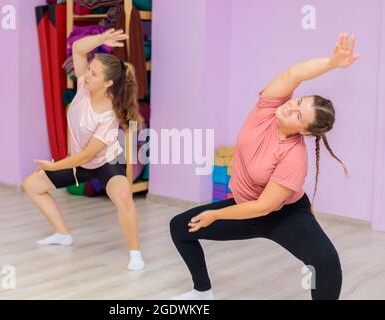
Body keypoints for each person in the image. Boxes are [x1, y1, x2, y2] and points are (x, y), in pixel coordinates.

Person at [170, 33, 360, 299]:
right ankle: (202, 293)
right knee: (180, 227)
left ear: (304, 131)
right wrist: (331, 62)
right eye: (297, 102)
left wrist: (216, 215)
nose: (290, 107)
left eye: (298, 114)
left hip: (284, 214)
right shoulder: (268, 108)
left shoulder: (294, 156)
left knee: (326, 262)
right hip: (245, 205)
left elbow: (265, 207)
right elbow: (295, 73)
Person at [23, 28, 145, 271]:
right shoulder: (83, 87)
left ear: (108, 83)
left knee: (124, 198)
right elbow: (78, 48)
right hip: (80, 162)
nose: (87, 75)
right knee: (32, 185)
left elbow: (89, 155)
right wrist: (100, 40)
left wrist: (54, 166)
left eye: (94, 73)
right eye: (89, 69)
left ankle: (135, 254)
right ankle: (62, 234)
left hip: (106, 164)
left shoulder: (109, 114)